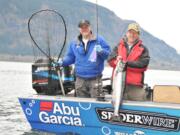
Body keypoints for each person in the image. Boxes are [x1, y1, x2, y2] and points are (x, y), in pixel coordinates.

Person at [56, 19, 111, 99]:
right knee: (81, 106)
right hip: (80, 80)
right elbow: (70, 57)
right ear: (79, 29)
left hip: (95, 79)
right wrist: (62, 62)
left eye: (86, 27)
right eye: (82, 27)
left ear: (90, 27)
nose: (84, 29)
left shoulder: (100, 40)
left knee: (96, 104)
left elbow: (108, 56)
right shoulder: (74, 42)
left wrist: (101, 51)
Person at [108, 23, 150, 101]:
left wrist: (126, 63)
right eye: (130, 32)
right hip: (118, 84)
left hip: (135, 87)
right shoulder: (118, 46)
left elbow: (143, 65)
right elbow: (110, 60)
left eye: (135, 33)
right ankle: (115, 113)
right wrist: (116, 60)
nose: (132, 35)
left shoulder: (143, 49)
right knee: (116, 105)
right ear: (127, 33)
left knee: (139, 109)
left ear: (138, 34)